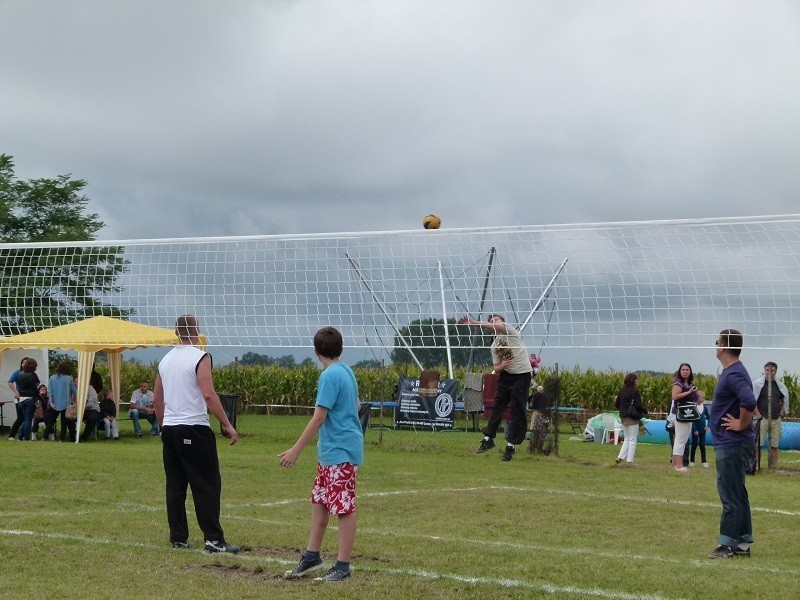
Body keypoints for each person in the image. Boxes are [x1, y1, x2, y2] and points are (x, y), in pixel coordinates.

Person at [280, 326, 364, 582]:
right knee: (320, 503)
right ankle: (312, 557)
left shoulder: (329, 376)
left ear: (316, 351)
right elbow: (356, 406)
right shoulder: (346, 370)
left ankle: (342, 567)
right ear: (341, 349)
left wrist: (296, 450)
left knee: (344, 509)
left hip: (340, 452)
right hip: (332, 451)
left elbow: (319, 418)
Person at [153, 315, 239, 553]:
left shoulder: (165, 360)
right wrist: (227, 424)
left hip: (170, 429)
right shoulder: (200, 356)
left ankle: (178, 538)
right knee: (206, 485)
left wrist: (164, 426)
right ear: (196, 331)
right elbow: (209, 394)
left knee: (176, 486)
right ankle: (213, 539)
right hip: (194, 427)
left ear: (177, 332)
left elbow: (157, 399)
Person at [708, 328, 756, 559]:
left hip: (733, 443)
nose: (715, 344)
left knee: (729, 494)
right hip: (733, 443)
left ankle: (727, 544)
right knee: (738, 492)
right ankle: (743, 543)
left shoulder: (734, 374)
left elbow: (748, 400)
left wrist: (741, 424)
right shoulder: (733, 371)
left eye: (717, 341)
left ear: (723, 347)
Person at [459, 314, 533, 461]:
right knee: (497, 406)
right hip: (506, 376)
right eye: (491, 321)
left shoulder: (511, 332)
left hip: (522, 375)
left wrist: (474, 323)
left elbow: (495, 327)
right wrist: (502, 366)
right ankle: (488, 439)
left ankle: (511, 446)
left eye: (496, 320)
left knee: (517, 409)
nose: (494, 323)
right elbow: (496, 368)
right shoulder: (495, 345)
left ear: (503, 323)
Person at [752, 362, 790, 470]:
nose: (769, 372)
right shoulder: (757, 384)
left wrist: (781, 414)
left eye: (772, 370)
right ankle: (757, 466)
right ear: (764, 370)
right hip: (762, 418)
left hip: (775, 419)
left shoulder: (780, 386)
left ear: (776, 371)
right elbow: (753, 400)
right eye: (767, 370)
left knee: (774, 445)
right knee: (758, 444)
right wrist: (758, 414)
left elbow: (784, 400)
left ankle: (772, 467)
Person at [614, 373, 647, 465]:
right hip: (632, 417)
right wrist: (645, 411)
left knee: (627, 438)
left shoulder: (621, 390)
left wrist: (623, 409)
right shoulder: (635, 391)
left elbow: (617, 404)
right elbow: (638, 404)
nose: (637, 381)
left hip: (623, 417)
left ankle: (620, 457)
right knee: (632, 439)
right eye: (636, 379)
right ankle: (629, 461)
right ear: (633, 380)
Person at [671, 363, 698, 472]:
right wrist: (689, 392)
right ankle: (679, 464)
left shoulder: (690, 384)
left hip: (689, 414)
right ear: (680, 371)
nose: (685, 371)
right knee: (680, 440)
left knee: (684, 439)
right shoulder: (678, 383)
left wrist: (696, 393)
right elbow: (675, 396)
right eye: (683, 369)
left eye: (687, 370)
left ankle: (675, 463)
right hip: (681, 413)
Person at [45, 362, 77, 442]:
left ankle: (44, 437)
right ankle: (61, 438)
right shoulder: (69, 378)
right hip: (66, 404)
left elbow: (50, 392)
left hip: (54, 404)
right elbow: (74, 391)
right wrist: (75, 401)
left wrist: (51, 402)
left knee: (50, 422)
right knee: (64, 423)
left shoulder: (52, 378)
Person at [11, 358, 40, 441]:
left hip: (21, 398)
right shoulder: (33, 375)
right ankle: (26, 437)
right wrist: (37, 397)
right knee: (28, 419)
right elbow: (37, 385)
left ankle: (20, 436)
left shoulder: (20, 374)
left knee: (24, 418)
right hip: (30, 398)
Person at [6, 357, 30, 440]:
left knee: (27, 417)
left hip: (29, 398)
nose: (24, 364)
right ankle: (12, 435)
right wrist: (16, 391)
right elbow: (10, 382)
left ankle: (23, 436)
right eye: (22, 363)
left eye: (26, 363)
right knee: (21, 417)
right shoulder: (18, 372)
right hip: (19, 398)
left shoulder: (31, 374)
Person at [690, 391, 710, 467]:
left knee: (702, 445)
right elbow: (691, 419)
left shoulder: (704, 407)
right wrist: (694, 430)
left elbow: (708, 417)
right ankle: (692, 460)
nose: (703, 399)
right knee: (694, 445)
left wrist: (708, 425)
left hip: (703, 430)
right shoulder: (693, 407)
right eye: (702, 397)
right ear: (697, 398)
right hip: (695, 430)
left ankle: (704, 461)